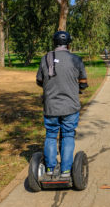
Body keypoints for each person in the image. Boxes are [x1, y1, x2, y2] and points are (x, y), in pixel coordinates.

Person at [36, 31, 88, 178]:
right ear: (69, 44)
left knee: (51, 135)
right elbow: (83, 83)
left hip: (50, 107)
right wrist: (77, 88)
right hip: (70, 107)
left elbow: (39, 81)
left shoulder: (45, 59)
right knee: (68, 135)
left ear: (54, 43)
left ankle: (50, 169)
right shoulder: (76, 59)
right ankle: (66, 171)